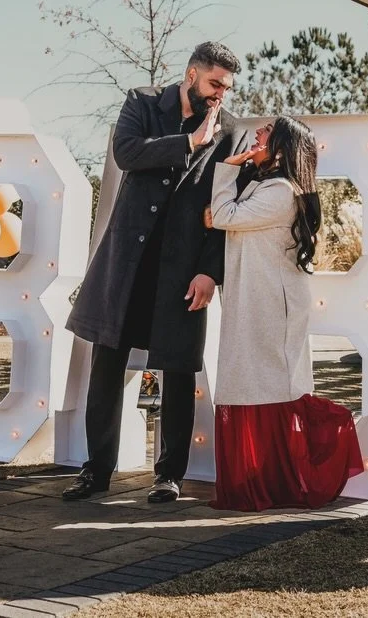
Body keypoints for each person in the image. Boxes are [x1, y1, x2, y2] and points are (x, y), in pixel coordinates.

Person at [63, 42, 245, 504]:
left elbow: (227, 208)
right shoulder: (141, 104)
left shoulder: (231, 132)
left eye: (227, 86)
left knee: (178, 370)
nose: (221, 93)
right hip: (127, 262)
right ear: (191, 75)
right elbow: (126, 152)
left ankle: (169, 475)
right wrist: (187, 143)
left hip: (183, 270)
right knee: (107, 365)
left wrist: (210, 272)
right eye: (215, 83)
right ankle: (96, 469)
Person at [206, 116, 364, 511]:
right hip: (255, 300)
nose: (256, 133)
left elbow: (221, 217)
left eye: (266, 132)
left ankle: (282, 480)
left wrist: (226, 170)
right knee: (252, 386)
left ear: (280, 148)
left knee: (265, 388)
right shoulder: (264, 186)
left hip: (269, 306)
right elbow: (221, 216)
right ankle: (265, 480)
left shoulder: (279, 191)